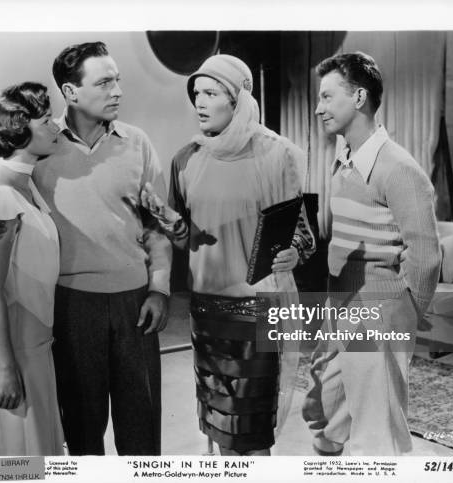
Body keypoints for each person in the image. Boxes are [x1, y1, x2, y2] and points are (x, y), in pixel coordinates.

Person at [0, 41, 171, 456]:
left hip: (136, 305)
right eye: (105, 82)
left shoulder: (138, 143)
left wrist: (160, 287)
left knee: (142, 437)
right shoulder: (40, 141)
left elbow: (157, 224)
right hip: (71, 309)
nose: (117, 91)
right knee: (82, 435)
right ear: (71, 93)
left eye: (118, 80)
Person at [141, 54, 316, 456]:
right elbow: (188, 242)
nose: (199, 101)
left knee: (250, 434)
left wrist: (293, 252)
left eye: (211, 92)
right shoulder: (186, 159)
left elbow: (304, 234)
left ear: (237, 100)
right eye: (196, 93)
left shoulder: (277, 154)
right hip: (206, 314)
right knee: (219, 427)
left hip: (256, 312)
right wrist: (174, 227)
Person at [301, 52, 441, 456]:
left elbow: (427, 256)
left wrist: (406, 315)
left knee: (377, 439)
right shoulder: (343, 159)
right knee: (327, 413)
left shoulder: (399, 168)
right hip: (343, 304)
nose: (318, 107)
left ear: (359, 97)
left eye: (328, 97)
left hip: (379, 310)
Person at [0, 82, 64, 455]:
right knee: (20, 464)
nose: (56, 126)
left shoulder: (26, 182)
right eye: (46, 121)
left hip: (36, 349)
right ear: (21, 132)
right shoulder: (0, 195)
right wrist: (7, 370)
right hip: (12, 355)